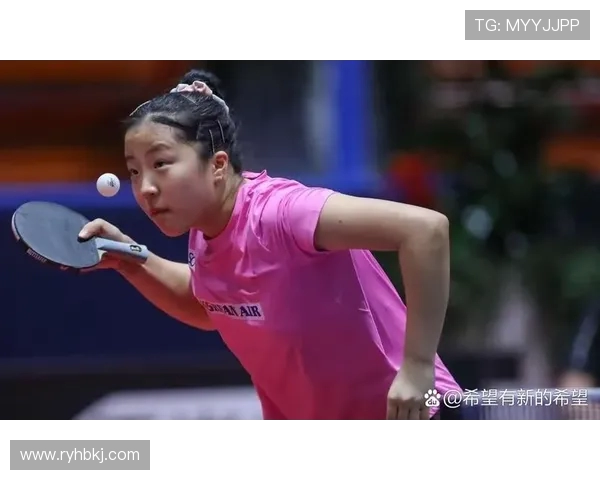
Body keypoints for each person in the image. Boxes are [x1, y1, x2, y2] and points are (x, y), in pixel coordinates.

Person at [78, 69, 461, 420]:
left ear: (217, 164)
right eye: (134, 171)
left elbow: (425, 230)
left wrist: (417, 367)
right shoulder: (206, 229)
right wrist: (129, 258)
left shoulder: (284, 213)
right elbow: (212, 305)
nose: (145, 187)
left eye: (160, 164)